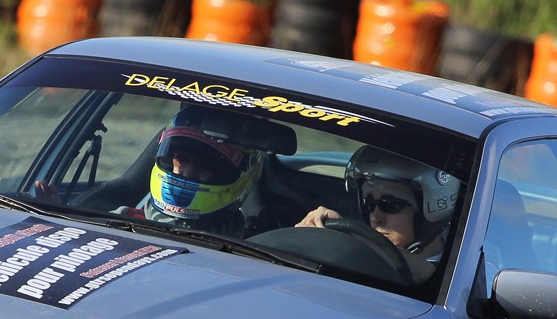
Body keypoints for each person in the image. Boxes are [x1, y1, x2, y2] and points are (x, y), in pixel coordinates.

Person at [296, 145, 457, 279]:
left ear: (430, 211)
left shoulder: (457, 268)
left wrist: (347, 237)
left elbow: (423, 272)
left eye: (390, 205)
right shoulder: (365, 253)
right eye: (369, 203)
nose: (375, 217)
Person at [123, 106, 265, 236]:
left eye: (206, 165)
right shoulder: (120, 223)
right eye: (181, 158)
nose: (187, 172)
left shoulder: (255, 248)